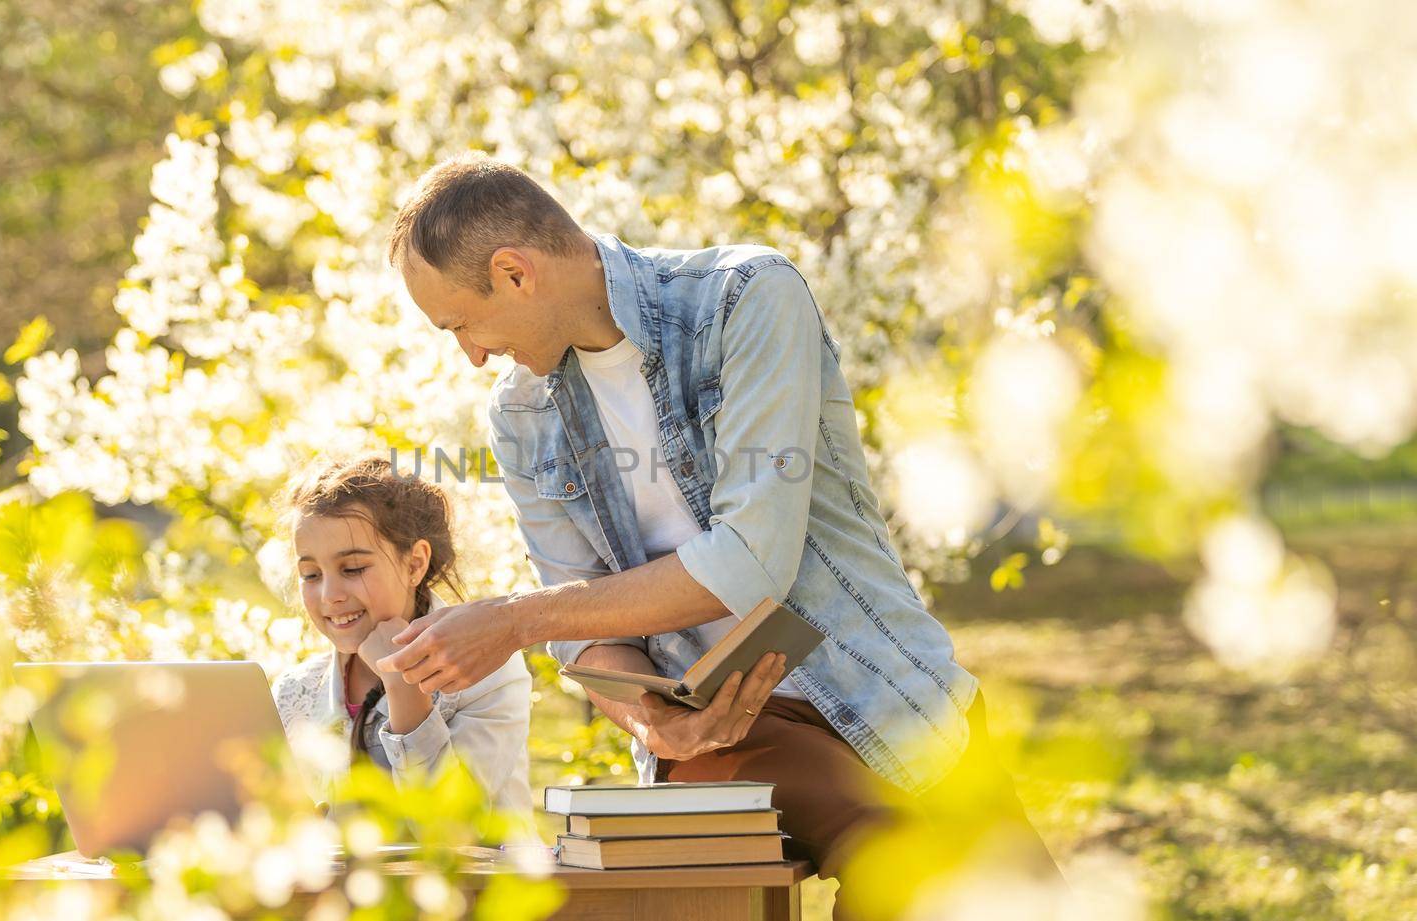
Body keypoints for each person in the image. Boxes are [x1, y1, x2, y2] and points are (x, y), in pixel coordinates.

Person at [375, 152, 1058, 916]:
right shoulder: (520, 414)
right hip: (723, 733)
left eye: (462, 324)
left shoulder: (747, 298)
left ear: (514, 273)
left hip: (875, 682)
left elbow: (749, 561)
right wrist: (654, 724)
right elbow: (580, 633)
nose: (469, 354)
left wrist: (511, 621)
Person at [270, 454, 533, 817]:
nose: (330, 594)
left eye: (353, 568)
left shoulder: (486, 671)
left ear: (414, 564)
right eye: (311, 574)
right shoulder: (293, 692)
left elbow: (446, 823)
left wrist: (402, 681)